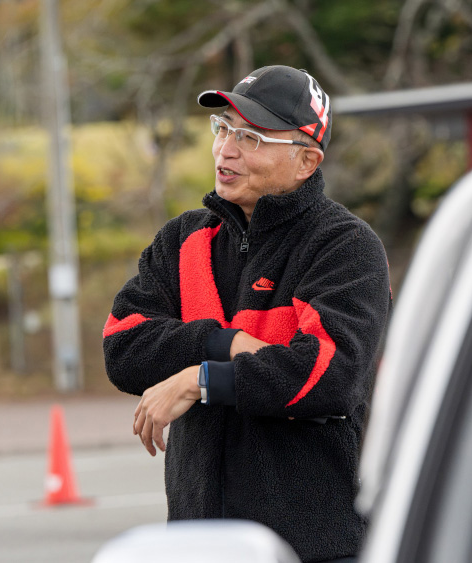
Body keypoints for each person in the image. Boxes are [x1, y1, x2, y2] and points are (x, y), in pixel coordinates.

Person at [103, 65, 391, 563]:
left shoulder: (345, 246)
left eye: (253, 137)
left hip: (320, 547)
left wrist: (201, 379)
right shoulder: (182, 239)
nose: (226, 150)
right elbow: (124, 346)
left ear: (306, 160)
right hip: (201, 543)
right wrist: (225, 345)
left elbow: (327, 373)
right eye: (225, 129)